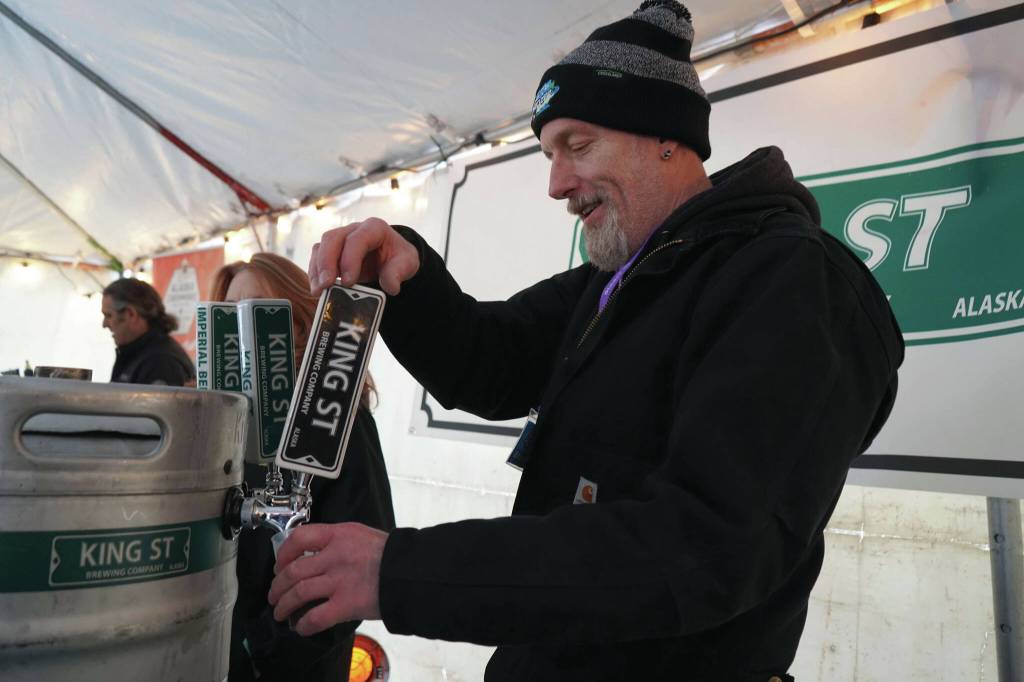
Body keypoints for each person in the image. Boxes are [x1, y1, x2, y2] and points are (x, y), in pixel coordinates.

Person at [269, 2, 904, 680]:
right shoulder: (619, 279)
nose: (556, 184)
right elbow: (491, 362)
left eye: (577, 145)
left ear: (665, 135)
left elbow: (708, 547)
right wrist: (409, 277)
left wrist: (401, 571)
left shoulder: (792, 281)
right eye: (549, 154)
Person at [210, 252, 396, 682]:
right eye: (230, 313)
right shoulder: (221, 421)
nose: (241, 328)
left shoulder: (335, 420)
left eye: (255, 310)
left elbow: (361, 553)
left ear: (298, 319)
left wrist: (265, 652)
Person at [102, 278, 195, 386]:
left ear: (131, 314)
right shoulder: (139, 354)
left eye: (109, 315)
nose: (104, 324)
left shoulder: (160, 362)